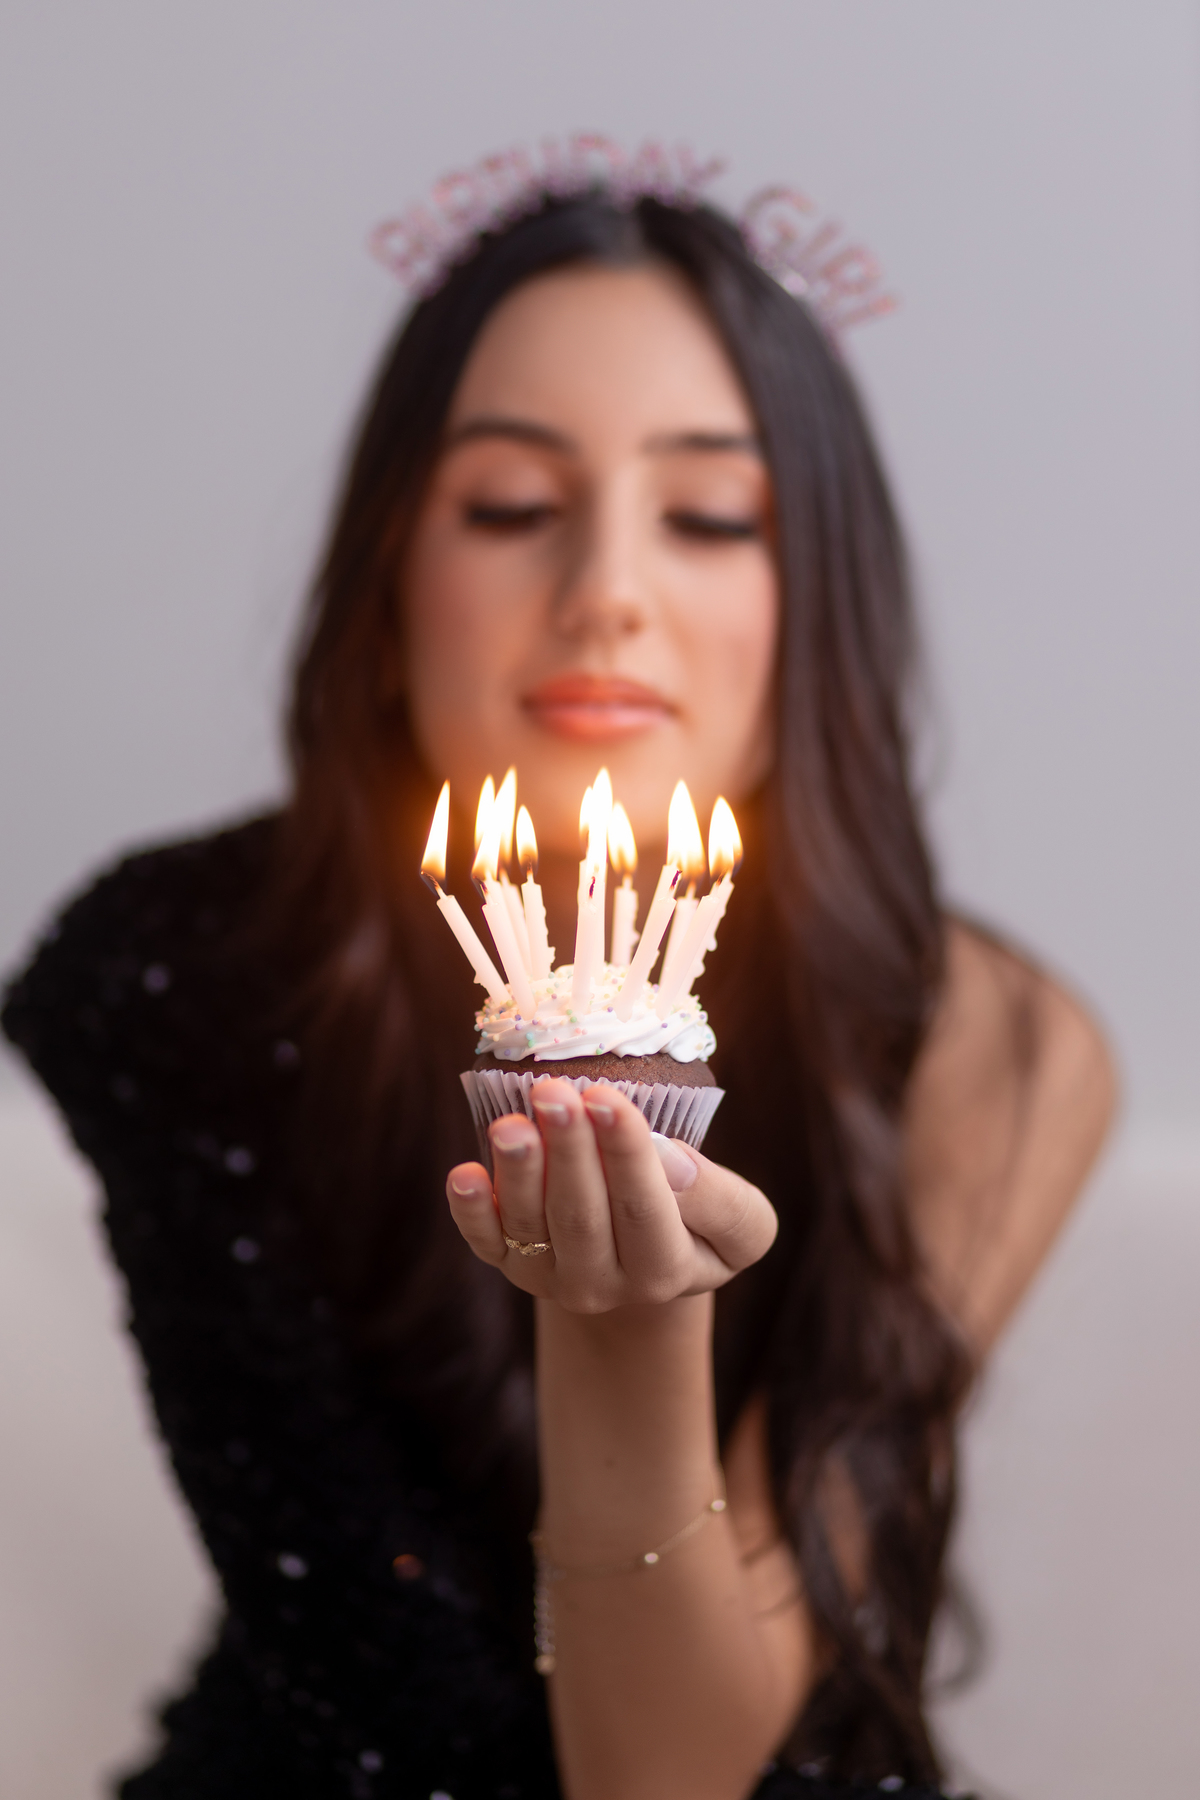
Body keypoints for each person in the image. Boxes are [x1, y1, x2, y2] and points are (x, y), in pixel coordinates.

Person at [1, 156, 1116, 1800]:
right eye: (512, 505)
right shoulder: (181, 967)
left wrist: (632, 1334)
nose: (604, 590)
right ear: (385, 586)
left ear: (817, 605)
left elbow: (667, 1775)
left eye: (712, 516)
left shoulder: (986, 1042)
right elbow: (416, 1724)